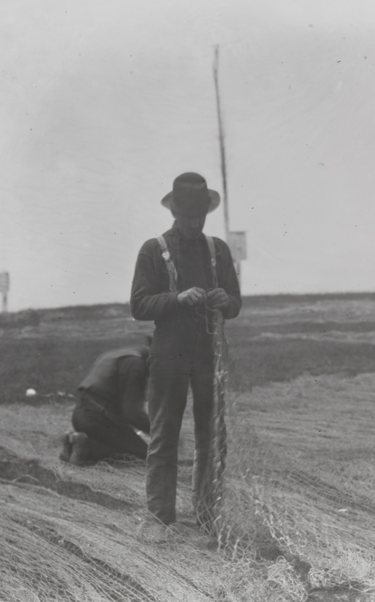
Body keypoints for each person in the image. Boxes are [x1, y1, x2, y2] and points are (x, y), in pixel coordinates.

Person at [130, 172, 241, 539]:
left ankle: (208, 517)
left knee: (212, 437)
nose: (195, 225)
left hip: (209, 354)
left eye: (200, 218)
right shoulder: (153, 249)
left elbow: (236, 303)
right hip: (169, 355)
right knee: (164, 435)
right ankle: (159, 518)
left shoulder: (219, 250)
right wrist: (176, 299)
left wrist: (226, 301)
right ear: (175, 212)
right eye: (188, 218)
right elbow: (139, 305)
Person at [59, 341, 151, 466]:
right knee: (144, 455)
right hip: (99, 418)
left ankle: (74, 443)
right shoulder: (136, 365)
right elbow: (132, 413)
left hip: (82, 414)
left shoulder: (117, 355)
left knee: (121, 442)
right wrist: (160, 432)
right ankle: (87, 449)